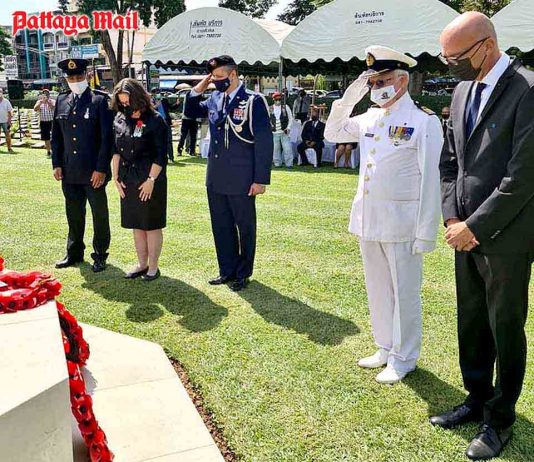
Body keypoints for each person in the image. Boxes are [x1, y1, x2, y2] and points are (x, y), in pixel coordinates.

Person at [433, 12, 534, 460]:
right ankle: (476, 397)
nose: (450, 65)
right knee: (471, 320)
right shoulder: (461, 91)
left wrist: (475, 226)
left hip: (507, 234)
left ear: (487, 46)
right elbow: (450, 162)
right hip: (463, 232)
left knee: (504, 325)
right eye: (445, 57)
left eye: (455, 56)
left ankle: (500, 418)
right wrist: (452, 218)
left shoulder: (527, 89)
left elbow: (523, 175)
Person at [325, 45, 443, 384]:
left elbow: (431, 179)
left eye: (383, 81)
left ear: (402, 81)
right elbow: (333, 133)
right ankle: (385, 346)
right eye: (373, 82)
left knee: (404, 292)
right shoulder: (370, 117)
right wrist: (353, 93)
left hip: (403, 223)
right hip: (369, 219)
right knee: (377, 287)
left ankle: (404, 357)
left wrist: (426, 232)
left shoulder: (423, 121)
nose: (377, 88)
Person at [185, 55, 273, 292]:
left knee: (245, 227)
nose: (216, 81)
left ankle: (243, 273)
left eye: (220, 76)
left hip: (242, 176)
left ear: (233, 74)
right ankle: (227, 269)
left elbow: (264, 142)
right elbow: (191, 110)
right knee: (221, 225)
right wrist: (203, 85)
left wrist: (260, 179)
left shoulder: (253, 101)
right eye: (213, 77)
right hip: (216, 175)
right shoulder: (214, 98)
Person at [51, 58, 113, 272]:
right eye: (71, 78)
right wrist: (56, 164)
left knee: (99, 214)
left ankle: (100, 254)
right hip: (70, 171)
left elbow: (107, 139)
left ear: (86, 76)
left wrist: (101, 169)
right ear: (66, 79)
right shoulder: (61, 100)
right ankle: (74, 253)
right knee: (74, 213)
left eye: (79, 76)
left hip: (93, 171)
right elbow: (57, 136)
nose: (75, 81)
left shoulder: (99, 100)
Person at [111, 78, 168, 281]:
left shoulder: (155, 120)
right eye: (122, 103)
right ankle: (142, 263)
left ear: (138, 97)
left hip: (150, 178)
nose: (125, 106)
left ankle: (153, 266)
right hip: (128, 178)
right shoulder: (119, 118)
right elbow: (115, 150)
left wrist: (151, 180)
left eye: (128, 102)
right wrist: (115, 177)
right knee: (136, 223)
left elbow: (160, 155)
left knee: (151, 224)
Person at [270, 91, 293, 168]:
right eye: (276, 99)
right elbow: (268, 119)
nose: (278, 101)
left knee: (287, 148)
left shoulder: (285, 107)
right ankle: (277, 163)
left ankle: (289, 164)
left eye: (279, 99)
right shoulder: (270, 108)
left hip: (284, 131)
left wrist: (288, 127)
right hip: (274, 132)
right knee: (275, 149)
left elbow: (290, 118)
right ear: (273, 99)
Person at [34, 88, 56, 157]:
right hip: (43, 122)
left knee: (54, 136)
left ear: (49, 95)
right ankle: (48, 151)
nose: (46, 95)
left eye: (47, 93)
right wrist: (40, 103)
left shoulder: (52, 101)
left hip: (52, 121)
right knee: (46, 138)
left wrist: (48, 102)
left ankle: (55, 150)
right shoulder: (39, 102)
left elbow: (54, 108)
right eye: (44, 93)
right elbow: (35, 109)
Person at [177, 90, 200, 157]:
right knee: (188, 136)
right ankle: (190, 151)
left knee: (186, 136)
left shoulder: (189, 95)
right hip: (189, 118)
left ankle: (183, 151)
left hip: (188, 118)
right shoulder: (192, 96)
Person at [154, 94, 175, 162]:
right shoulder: (151, 102)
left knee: (169, 140)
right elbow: (149, 110)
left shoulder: (164, 101)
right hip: (157, 124)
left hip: (166, 122)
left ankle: (171, 157)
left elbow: (171, 107)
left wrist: (177, 104)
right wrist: (156, 106)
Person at [0, 89, 14, 153]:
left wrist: (9, 121)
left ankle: (9, 148)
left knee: (7, 135)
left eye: (0, 92)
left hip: (5, 121)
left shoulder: (6, 101)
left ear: (2, 93)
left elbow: (10, 112)